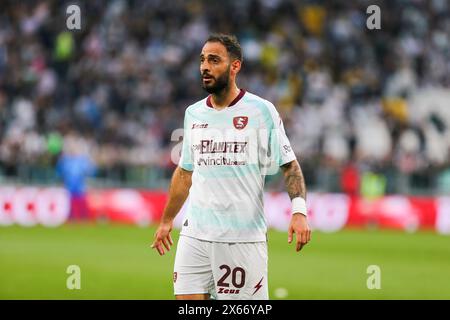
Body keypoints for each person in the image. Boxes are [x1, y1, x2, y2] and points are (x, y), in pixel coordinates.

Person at [151, 34, 311, 300]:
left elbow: (289, 165)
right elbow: (184, 172)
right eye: (202, 60)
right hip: (195, 234)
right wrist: (167, 219)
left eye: (214, 60)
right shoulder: (193, 113)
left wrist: (299, 212)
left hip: (241, 238)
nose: (205, 66)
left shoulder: (262, 111)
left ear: (235, 66)